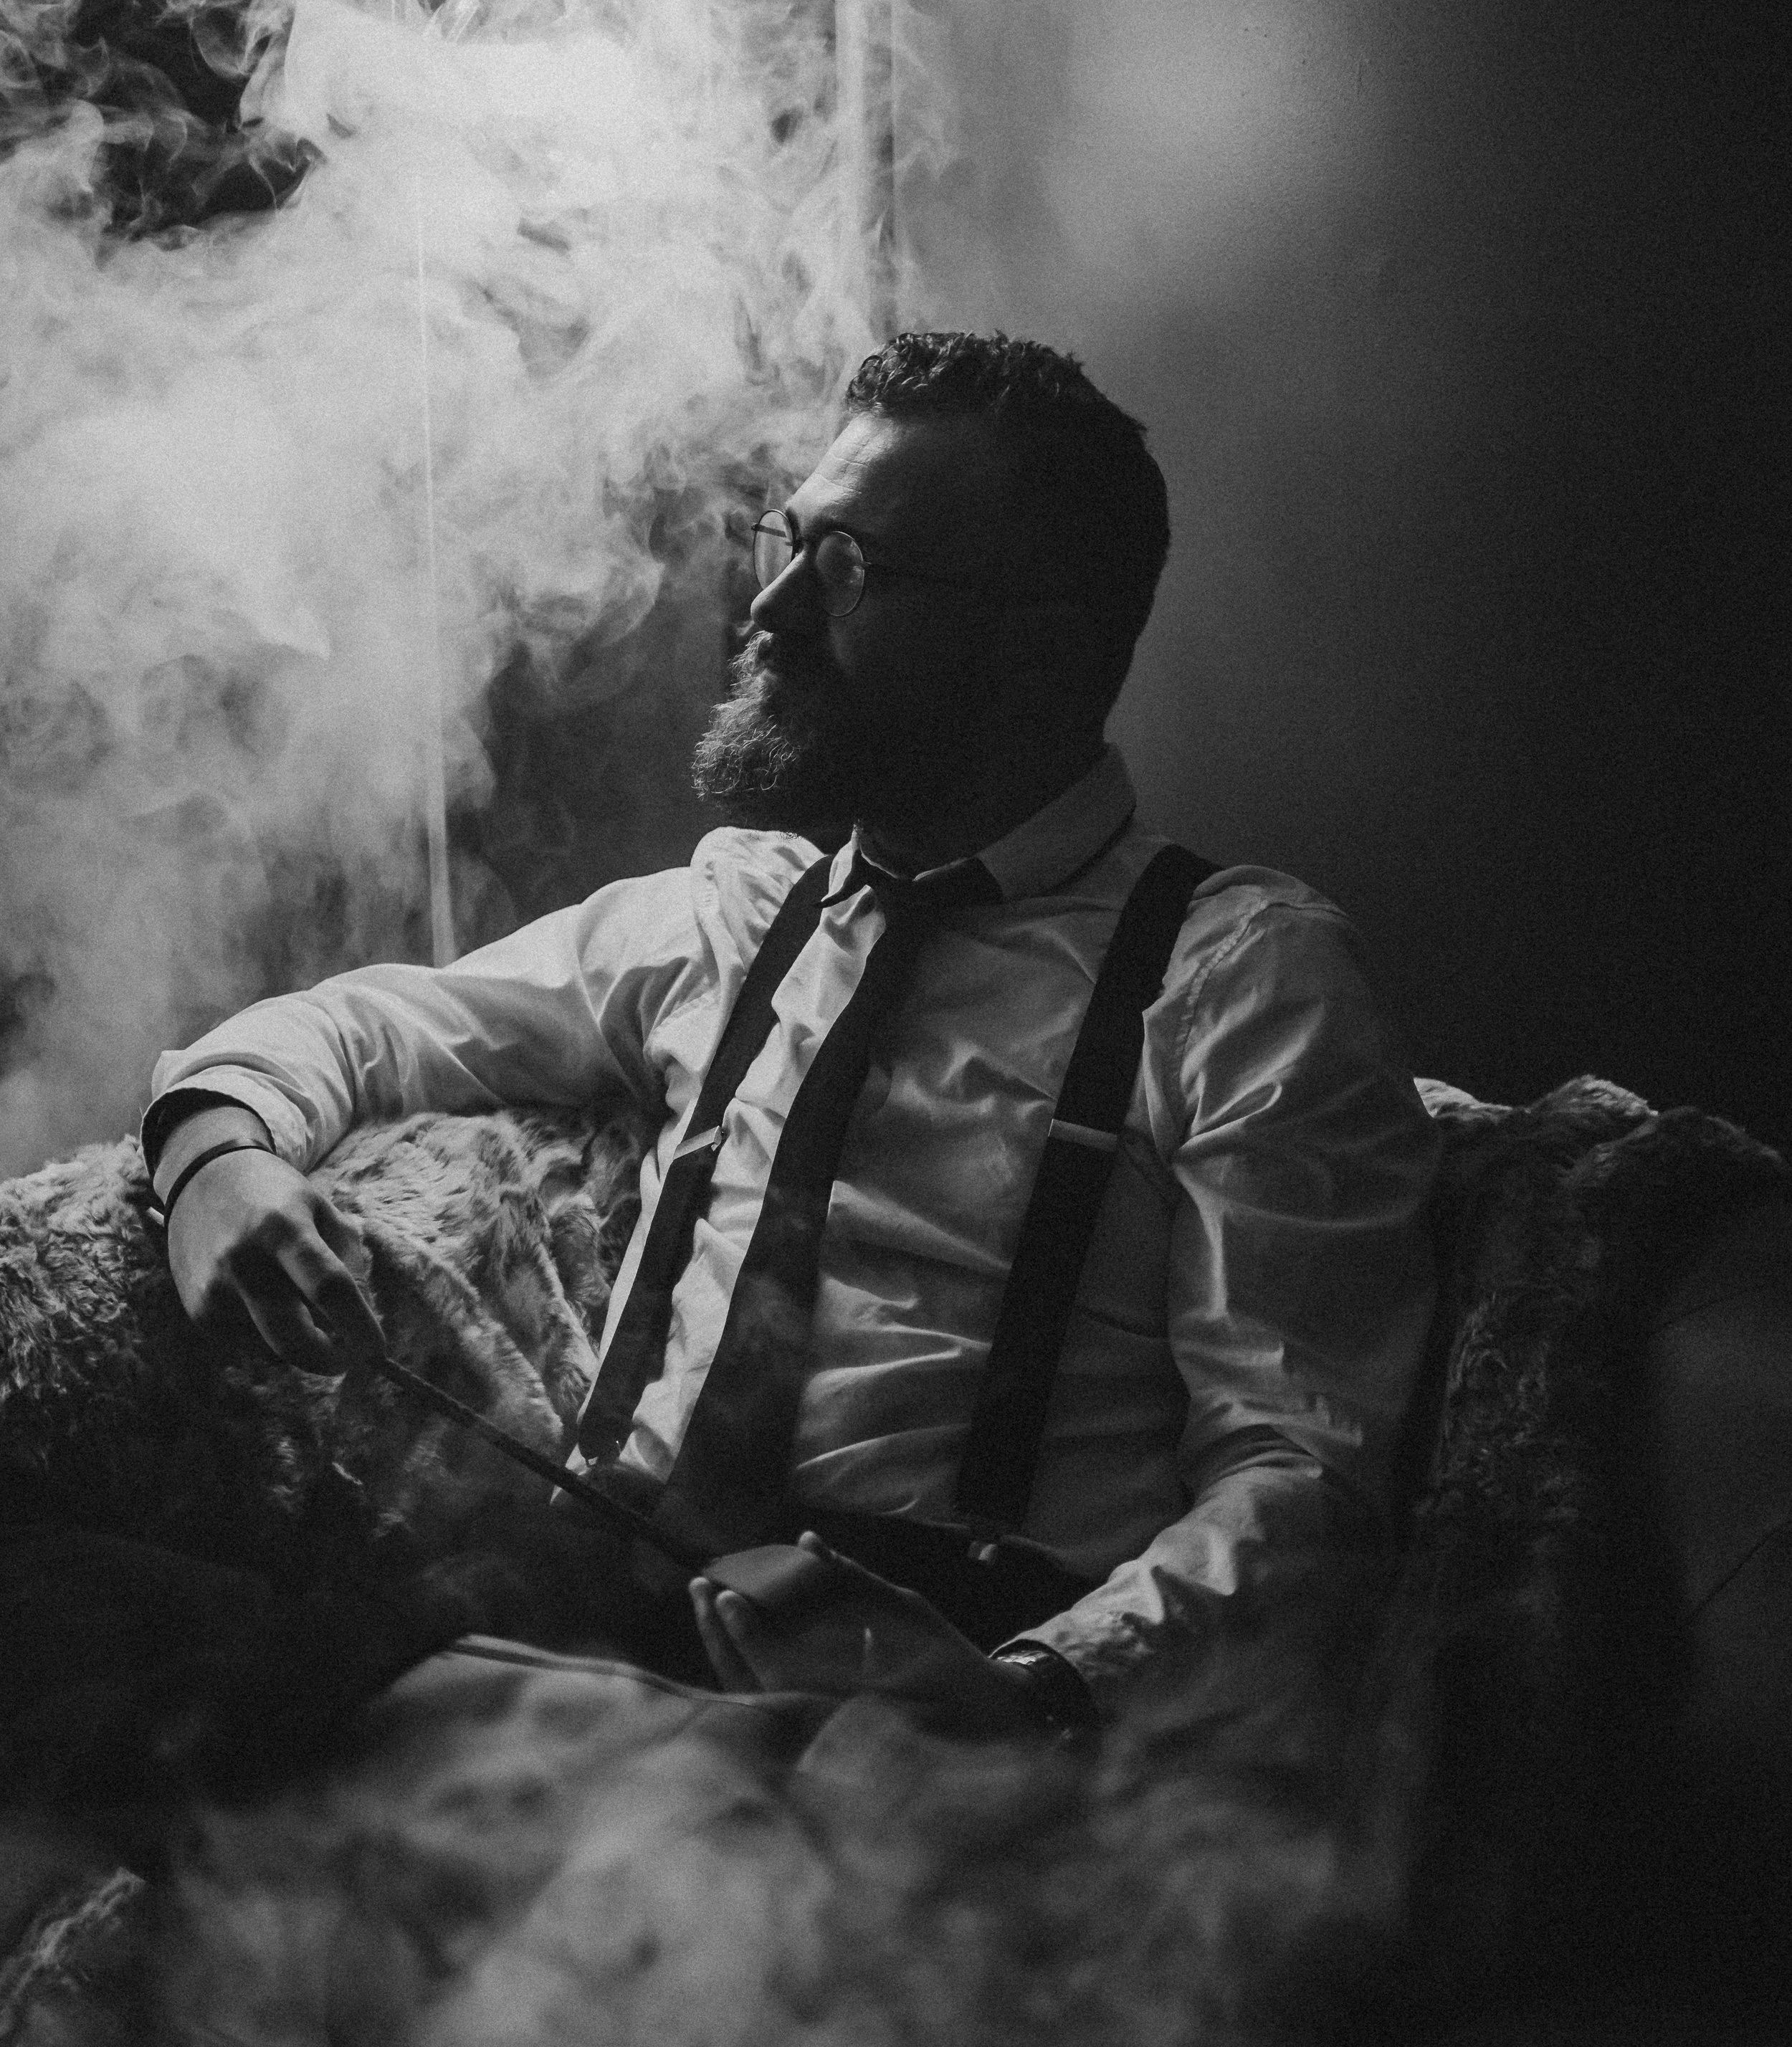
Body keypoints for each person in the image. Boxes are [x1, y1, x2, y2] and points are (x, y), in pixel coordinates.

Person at [141, 331, 1439, 1745]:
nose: (765, 606)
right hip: (603, 1629)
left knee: (368, 1743)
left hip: (922, 1714)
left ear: (1037, 639)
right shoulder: (731, 913)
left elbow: (1302, 1480)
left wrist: (1027, 1696)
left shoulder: (1237, 972)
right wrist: (215, 1157)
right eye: (790, 542)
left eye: (846, 571)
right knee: (93, 1622)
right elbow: (363, 1032)